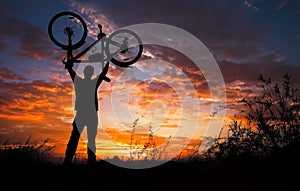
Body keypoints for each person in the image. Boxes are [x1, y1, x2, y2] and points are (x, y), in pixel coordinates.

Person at [62, 60, 110, 166]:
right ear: (91, 73)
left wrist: (69, 65)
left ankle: (67, 162)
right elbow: (104, 73)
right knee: (89, 139)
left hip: (83, 114)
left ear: (84, 73)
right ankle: (90, 163)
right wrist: (108, 61)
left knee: (75, 138)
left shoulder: (79, 82)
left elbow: (71, 71)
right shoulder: (93, 82)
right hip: (90, 114)